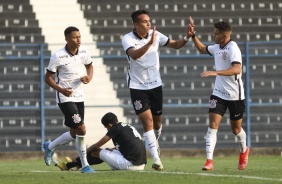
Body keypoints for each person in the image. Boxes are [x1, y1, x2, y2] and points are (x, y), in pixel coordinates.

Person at [121, 9, 193, 171]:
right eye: (145, 22)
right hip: (137, 86)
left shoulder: (156, 34)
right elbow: (135, 55)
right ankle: (156, 158)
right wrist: (149, 42)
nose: (148, 24)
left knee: (157, 122)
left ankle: (155, 140)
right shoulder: (127, 39)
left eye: (149, 21)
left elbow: (175, 45)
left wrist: (187, 37)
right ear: (136, 24)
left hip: (155, 85)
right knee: (147, 121)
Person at [188, 17, 250, 171]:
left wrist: (215, 72)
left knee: (236, 130)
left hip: (235, 95)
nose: (213, 35)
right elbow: (202, 49)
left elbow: (237, 69)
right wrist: (193, 36)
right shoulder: (216, 47)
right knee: (213, 125)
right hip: (218, 94)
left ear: (224, 36)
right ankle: (209, 161)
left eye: (215, 34)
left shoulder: (233, 48)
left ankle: (244, 151)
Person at [43, 26, 95, 173]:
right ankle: (85, 166)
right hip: (65, 97)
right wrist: (61, 89)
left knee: (74, 133)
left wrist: (89, 77)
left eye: (79, 37)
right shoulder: (58, 56)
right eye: (74, 37)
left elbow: (90, 66)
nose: (78, 40)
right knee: (82, 128)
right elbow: (47, 78)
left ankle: (50, 146)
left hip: (79, 96)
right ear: (66, 39)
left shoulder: (84, 51)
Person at [55, 112, 147, 171]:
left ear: (110, 125)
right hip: (141, 165)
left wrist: (79, 155)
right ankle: (78, 165)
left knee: (97, 152)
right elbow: (125, 146)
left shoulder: (114, 128)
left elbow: (96, 146)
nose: (107, 129)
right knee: (106, 151)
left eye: (106, 127)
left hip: (131, 165)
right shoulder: (126, 126)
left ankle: (69, 165)